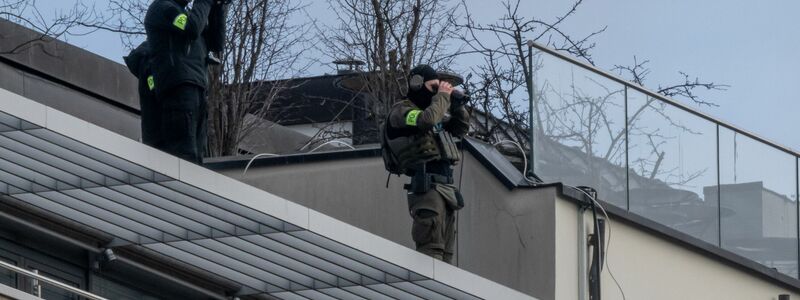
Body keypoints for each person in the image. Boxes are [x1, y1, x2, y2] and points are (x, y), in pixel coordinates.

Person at [383, 65, 470, 263]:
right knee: (431, 252)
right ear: (417, 84)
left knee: (446, 256)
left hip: (446, 190)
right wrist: (443, 97)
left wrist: (458, 107)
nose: (436, 94)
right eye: (433, 88)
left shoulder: (435, 114)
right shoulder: (402, 111)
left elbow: (461, 128)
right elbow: (426, 120)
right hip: (427, 190)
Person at [143, 0, 226, 163]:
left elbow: (217, 43)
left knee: (196, 156)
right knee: (183, 154)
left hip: (198, 89)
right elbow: (191, 28)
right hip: (178, 89)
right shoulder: (163, 9)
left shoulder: (190, 15)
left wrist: (218, 8)